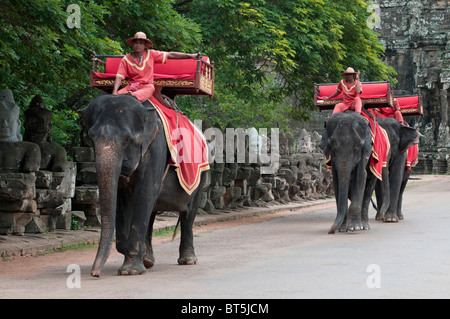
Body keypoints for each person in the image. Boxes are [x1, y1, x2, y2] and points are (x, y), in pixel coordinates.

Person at [112, 32, 199, 103]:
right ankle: (127, 96)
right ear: (132, 44)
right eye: (136, 43)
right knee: (114, 99)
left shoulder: (151, 54)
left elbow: (170, 54)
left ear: (145, 45)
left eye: (141, 43)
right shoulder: (126, 59)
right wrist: (115, 92)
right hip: (131, 86)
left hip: (146, 86)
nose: (138, 45)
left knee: (151, 88)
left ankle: (133, 97)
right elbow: (119, 76)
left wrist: (190, 55)